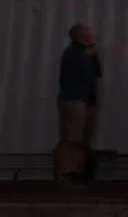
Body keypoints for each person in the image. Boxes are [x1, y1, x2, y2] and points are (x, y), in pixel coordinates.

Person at [54, 24, 97, 187]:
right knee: (69, 138)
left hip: (77, 99)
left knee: (75, 138)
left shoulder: (77, 52)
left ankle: (71, 173)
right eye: (89, 31)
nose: (93, 34)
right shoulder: (75, 53)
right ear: (83, 34)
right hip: (73, 99)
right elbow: (86, 75)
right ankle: (63, 174)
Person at [82, 43, 104, 181]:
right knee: (82, 139)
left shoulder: (92, 63)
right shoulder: (88, 63)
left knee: (85, 139)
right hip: (86, 103)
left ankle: (85, 170)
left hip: (88, 103)